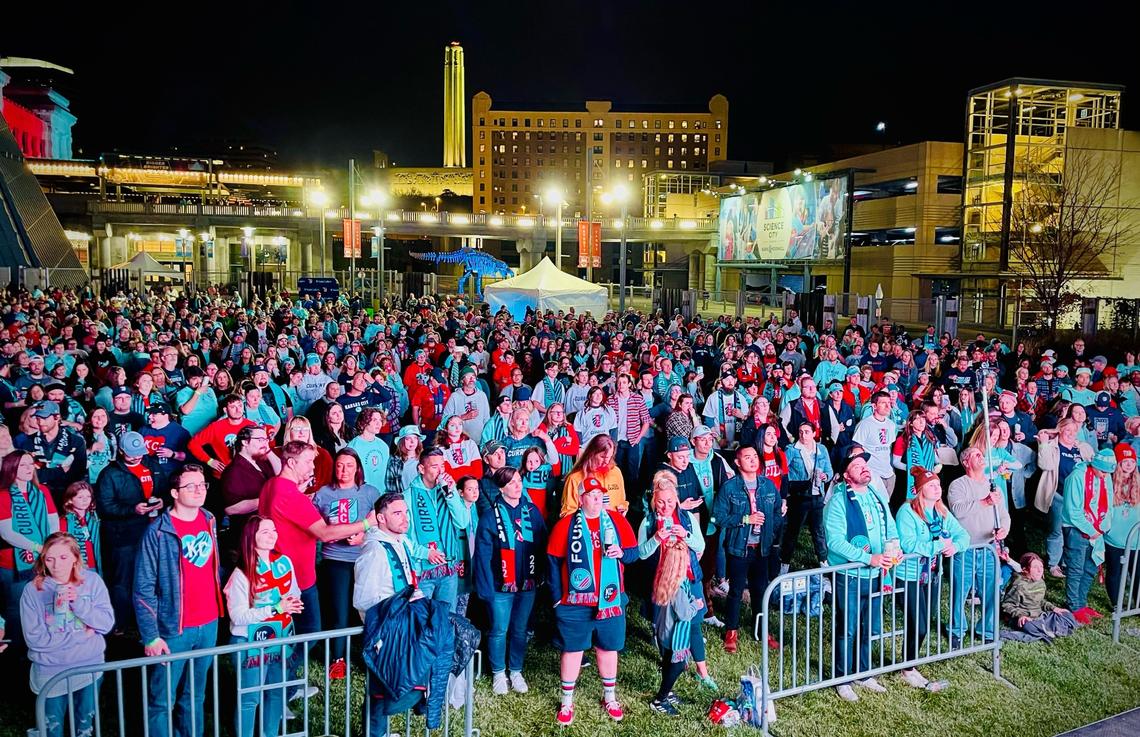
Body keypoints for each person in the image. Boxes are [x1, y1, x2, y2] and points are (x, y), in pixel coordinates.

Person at [135, 464, 223, 737]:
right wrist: (151, 636)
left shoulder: (209, 518)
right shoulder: (158, 532)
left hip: (208, 623)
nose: (199, 490)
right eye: (191, 486)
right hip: (174, 627)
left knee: (196, 695)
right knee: (162, 699)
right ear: (174, 492)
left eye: (202, 484)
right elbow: (143, 586)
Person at [546, 477, 639, 726]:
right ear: (581, 498)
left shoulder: (617, 521)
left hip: (610, 600)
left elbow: (633, 553)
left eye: (600, 495)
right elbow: (553, 562)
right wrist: (557, 598)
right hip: (576, 601)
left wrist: (622, 553)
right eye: (591, 494)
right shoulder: (566, 525)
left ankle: (609, 696)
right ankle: (567, 700)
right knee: (573, 649)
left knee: (608, 647)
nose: (597, 499)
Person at [258, 442, 372, 643]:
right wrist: (366, 523)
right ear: (291, 463)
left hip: (279, 572)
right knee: (310, 633)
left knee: (283, 631)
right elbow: (325, 533)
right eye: (309, 461)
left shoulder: (272, 485)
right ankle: (288, 669)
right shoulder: (291, 495)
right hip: (297, 578)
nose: (313, 467)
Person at [20, 532, 114, 737]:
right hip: (50, 672)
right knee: (52, 728)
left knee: (85, 726)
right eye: (49, 559)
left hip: (90, 668)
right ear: (43, 560)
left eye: (63, 557)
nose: (56, 565)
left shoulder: (92, 581)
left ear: (75, 557)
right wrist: (83, 635)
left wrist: (79, 603)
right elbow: (35, 639)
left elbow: (106, 624)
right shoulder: (32, 590)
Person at [823, 447, 898, 702]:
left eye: (864, 463)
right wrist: (869, 558)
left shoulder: (876, 494)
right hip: (851, 575)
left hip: (876, 573)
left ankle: (863, 673)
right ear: (846, 475)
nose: (864, 467)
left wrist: (894, 547)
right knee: (848, 627)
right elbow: (835, 542)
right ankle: (842, 677)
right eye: (857, 465)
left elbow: (890, 524)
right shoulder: (838, 501)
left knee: (868, 626)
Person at [639, 471, 716, 715]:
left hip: (687, 581)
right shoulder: (649, 522)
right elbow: (640, 553)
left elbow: (701, 547)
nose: (665, 506)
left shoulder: (686, 518)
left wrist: (687, 536)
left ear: (676, 500)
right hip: (664, 586)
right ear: (654, 501)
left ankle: (675, 684)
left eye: (670, 501)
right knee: (669, 634)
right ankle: (664, 690)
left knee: (690, 626)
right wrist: (655, 539)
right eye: (661, 501)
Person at [223, 515, 304, 737]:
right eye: (265, 532)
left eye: (274, 530)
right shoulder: (241, 573)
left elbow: (294, 591)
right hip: (250, 642)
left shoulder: (284, 561)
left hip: (281, 638)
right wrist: (276, 608)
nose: (272, 535)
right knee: (250, 698)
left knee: (276, 692)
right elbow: (238, 616)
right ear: (252, 537)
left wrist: (293, 603)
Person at [474, 466, 547, 696]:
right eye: (512, 482)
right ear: (502, 488)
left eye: (519, 481)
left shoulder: (532, 511)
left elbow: (543, 543)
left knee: (520, 629)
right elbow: (483, 555)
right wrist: (485, 587)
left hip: (526, 583)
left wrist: (542, 574)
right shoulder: (489, 517)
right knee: (499, 629)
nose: (518, 485)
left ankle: (515, 670)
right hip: (500, 585)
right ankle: (498, 672)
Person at [895, 466, 969, 690]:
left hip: (933, 574)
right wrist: (938, 545)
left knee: (924, 623)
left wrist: (954, 546)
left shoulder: (941, 511)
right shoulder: (907, 511)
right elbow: (907, 544)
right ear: (920, 490)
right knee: (917, 624)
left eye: (939, 485)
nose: (938, 489)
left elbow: (963, 534)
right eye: (932, 486)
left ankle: (910, 665)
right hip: (909, 575)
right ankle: (907, 669)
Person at [312, 448, 380, 678]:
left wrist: (363, 535)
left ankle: (371, 657)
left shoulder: (370, 492)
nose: (344, 470)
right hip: (335, 560)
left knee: (368, 610)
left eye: (349, 465)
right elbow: (315, 526)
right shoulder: (323, 494)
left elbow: (381, 522)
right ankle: (337, 659)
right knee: (339, 612)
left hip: (364, 559)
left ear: (358, 468)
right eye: (340, 465)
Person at [712, 445, 785, 652]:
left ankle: (762, 630)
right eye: (747, 457)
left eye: (755, 456)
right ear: (737, 462)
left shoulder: (768, 486)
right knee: (735, 591)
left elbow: (778, 512)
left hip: (762, 548)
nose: (753, 460)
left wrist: (770, 534)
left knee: (760, 590)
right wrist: (745, 519)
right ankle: (731, 631)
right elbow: (718, 516)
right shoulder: (730, 487)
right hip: (739, 548)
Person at [94, 431, 161, 633]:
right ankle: (121, 624)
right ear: (121, 451)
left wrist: (162, 499)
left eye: (139, 452)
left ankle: (145, 621)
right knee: (122, 581)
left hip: (150, 532)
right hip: (122, 537)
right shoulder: (109, 474)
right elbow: (105, 506)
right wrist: (133, 510)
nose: (137, 457)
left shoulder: (150, 464)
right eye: (132, 454)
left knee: (149, 578)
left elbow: (164, 486)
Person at [946, 446, 1011, 648]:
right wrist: (983, 502)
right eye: (976, 455)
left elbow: (1004, 515)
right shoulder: (958, 485)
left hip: (989, 547)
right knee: (960, 592)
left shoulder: (994, 487)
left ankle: (987, 629)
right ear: (966, 462)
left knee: (991, 591)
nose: (981, 458)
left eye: (982, 455)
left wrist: (1004, 530)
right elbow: (958, 511)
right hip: (965, 548)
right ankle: (956, 630)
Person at [0, 450, 61, 651]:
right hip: (12, 564)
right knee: (17, 609)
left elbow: (53, 524)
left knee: (44, 605)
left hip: (43, 560)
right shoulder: (3, 495)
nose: (28, 469)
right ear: (11, 468)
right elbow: (7, 532)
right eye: (22, 465)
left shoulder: (42, 491)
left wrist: (49, 547)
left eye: (30, 464)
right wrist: (37, 547)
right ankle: (18, 650)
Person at [403, 447, 471, 612]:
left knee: (447, 621)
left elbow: (462, 522)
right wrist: (425, 553)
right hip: (422, 572)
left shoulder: (449, 491)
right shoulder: (407, 496)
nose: (440, 472)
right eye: (435, 467)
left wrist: (451, 494)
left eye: (443, 466)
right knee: (422, 622)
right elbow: (401, 537)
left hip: (449, 569)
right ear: (421, 469)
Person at [1062, 449, 1117, 623]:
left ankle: (1082, 603)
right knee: (1076, 568)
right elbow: (1073, 511)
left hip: (1097, 529)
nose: (1105, 475)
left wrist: (1104, 526)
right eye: (1103, 471)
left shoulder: (1105, 476)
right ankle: (1073, 606)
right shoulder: (1077, 477)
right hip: (1076, 528)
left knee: (1091, 567)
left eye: (1108, 472)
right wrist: (1091, 530)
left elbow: (1108, 502)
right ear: (1095, 465)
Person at [782, 421, 834, 572]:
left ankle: (823, 560)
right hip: (799, 497)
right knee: (793, 531)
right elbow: (784, 472)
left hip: (817, 495)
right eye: (800, 431)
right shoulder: (792, 450)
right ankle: (784, 563)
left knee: (818, 530)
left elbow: (829, 471)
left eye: (806, 431)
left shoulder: (822, 449)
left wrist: (825, 476)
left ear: (813, 433)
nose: (803, 435)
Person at [15, 400, 87, 502]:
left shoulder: (75, 441)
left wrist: (44, 473)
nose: (40, 422)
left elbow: (77, 473)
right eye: (38, 418)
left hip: (67, 497)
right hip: (37, 496)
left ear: (56, 417)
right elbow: (29, 474)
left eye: (44, 418)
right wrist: (60, 471)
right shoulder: (28, 442)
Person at [1001, 552, 1077, 643]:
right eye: (1035, 567)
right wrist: (1021, 615)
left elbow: (1041, 601)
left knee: (1067, 614)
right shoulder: (1018, 585)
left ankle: (1045, 630)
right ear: (1025, 570)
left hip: (1040, 616)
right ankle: (1051, 629)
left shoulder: (1040, 582)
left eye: (1041, 567)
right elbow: (1007, 605)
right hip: (1025, 618)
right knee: (1028, 626)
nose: (1039, 570)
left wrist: (1055, 608)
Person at [1105, 443, 1140, 610]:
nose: (1129, 464)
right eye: (1125, 461)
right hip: (1114, 538)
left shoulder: (1138, 483)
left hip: (1135, 539)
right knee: (1115, 572)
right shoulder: (1108, 482)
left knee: (1137, 573)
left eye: (1132, 461)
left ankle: (1138, 603)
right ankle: (1116, 603)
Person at [189, 395, 257, 479]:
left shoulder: (252, 425)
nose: (238, 410)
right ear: (225, 410)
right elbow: (193, 444)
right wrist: (209, 461)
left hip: (248, 473)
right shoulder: (216, 427)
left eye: (240, 405)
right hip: (225, 475)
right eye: (233, 407)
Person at [561, 434, 628, 517]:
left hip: (614, 525)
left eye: (610, 457)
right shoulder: (575, 479)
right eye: (603, 457)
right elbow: (567, 513)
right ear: (591, 454)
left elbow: (622, 501)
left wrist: (623, 508)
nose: (606, 461)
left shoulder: (616, 472)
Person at [852, 391, 899, 500]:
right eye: (883, 403)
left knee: (886, 505)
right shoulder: (865, 424)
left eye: (889, 402)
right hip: (873, 473)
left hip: (889, 473)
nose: (888, 406)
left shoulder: (891, 425)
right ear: (874, 406)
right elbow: (856, 448)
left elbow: (889, 447)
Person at [59, 480, 100, 574]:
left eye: (88, 496)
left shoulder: (94, 518)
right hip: (75, 566)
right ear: (70, 500)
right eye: (80, 497)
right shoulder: (64, 521)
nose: (85, 500)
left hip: (94, 564)